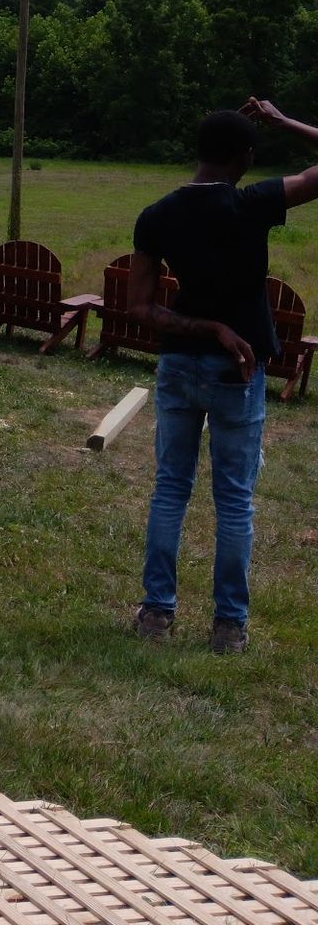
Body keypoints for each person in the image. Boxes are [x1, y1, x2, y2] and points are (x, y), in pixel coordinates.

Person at [126, 101, 318, 653]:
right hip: (240, 368)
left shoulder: (157, 215)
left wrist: (204, 326)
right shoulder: (251, 204)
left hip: (179, 364)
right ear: (244, 158)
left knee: (170, 490)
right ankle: (228, 626)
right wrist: (285, 122)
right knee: (234, 499)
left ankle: (157, 614)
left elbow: (140, 307)